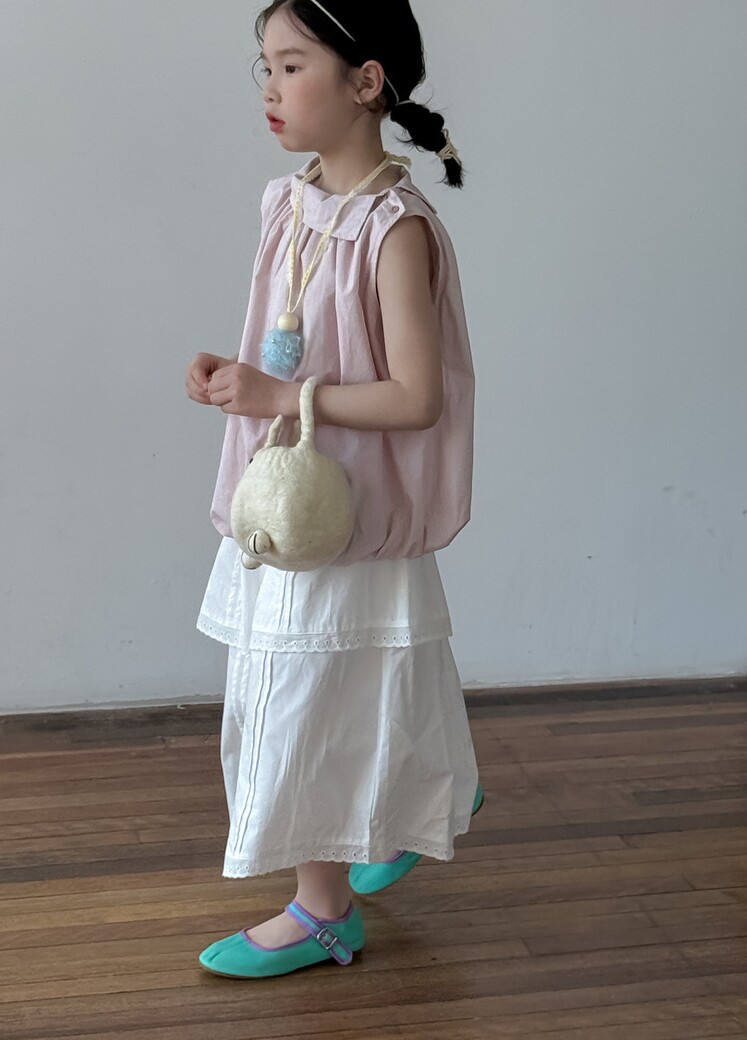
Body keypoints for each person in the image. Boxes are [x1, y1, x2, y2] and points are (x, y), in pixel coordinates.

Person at [185, 0, 482, 980]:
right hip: (288, 497)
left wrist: (281, 395)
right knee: (350, 680)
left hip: (341, 511)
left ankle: (324, 911)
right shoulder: (291, 202)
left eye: (291, 65)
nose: (269, 88)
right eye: (263, 68)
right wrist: (240, 381)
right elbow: (295, 344)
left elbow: (417, 396)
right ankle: (433, 791)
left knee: (305, 697)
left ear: (366, 81)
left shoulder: (396, 229)